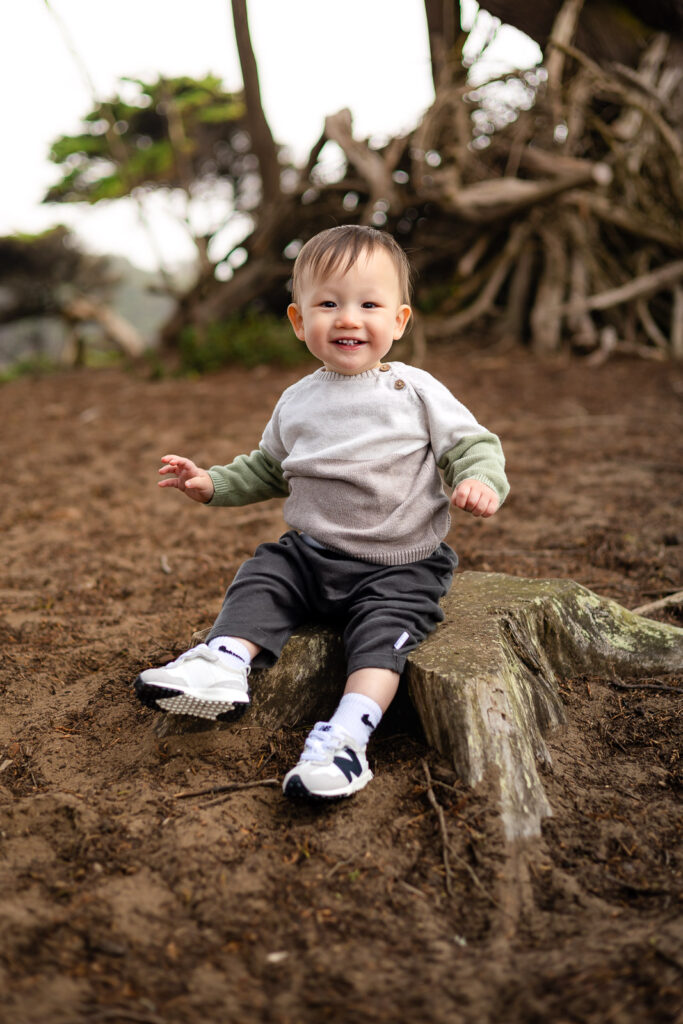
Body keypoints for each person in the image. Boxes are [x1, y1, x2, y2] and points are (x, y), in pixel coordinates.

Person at [135, 225, 509, 800]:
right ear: (298, 320)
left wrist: (479, 480)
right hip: (312, 555)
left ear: (400, 320)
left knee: (384, 639)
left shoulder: (414, 389)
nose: (348, 319)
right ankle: (225, 663)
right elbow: (268, 467)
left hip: (400, 566)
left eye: (369, 304)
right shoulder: (298, 400)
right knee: (264, 573)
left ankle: (346, 739)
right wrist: (212, 483)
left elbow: (472, 446)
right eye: (328, 304)